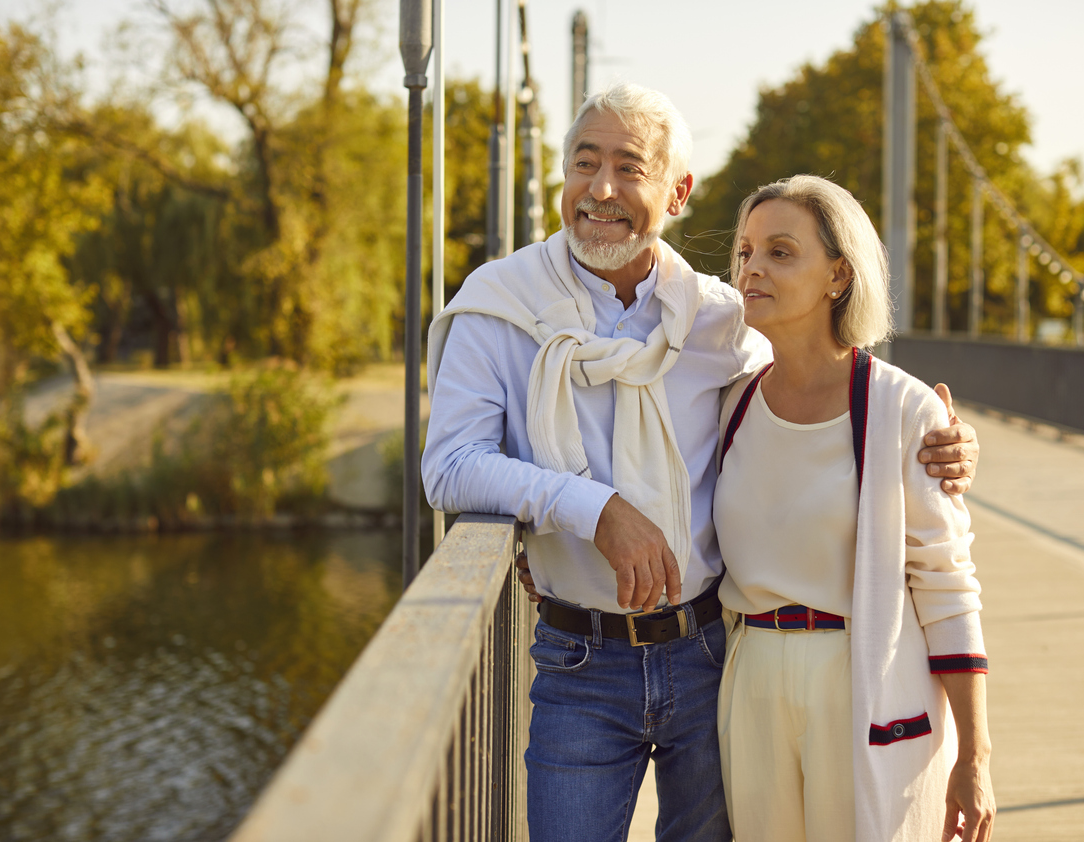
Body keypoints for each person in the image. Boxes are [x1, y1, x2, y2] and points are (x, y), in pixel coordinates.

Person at [422, 83, 979, 842]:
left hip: (713, 654)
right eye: (584, 164)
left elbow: (824, 384)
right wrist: (593, 509)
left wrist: (935, 440)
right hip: (578, 660)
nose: (601, 190)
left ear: (678, 192)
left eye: (629, 168)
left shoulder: (721, 318)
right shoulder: (498, 305)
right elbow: (450, 466)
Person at [713, 175, 994, 842]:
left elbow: (948, 588)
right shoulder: (730, 405)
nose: (752, 267)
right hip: (750, 682)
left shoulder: (905, 409)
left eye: (781, 252)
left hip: (860, 678)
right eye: (746, 251)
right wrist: (554, 552)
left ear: (838, 275)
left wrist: (975, 756)